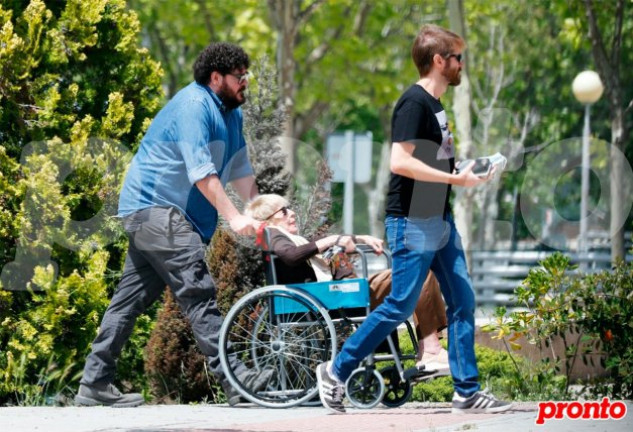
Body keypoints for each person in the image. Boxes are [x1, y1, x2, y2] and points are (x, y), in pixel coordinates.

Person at [315, 25, 513, 414]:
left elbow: (428, 163)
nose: (461, 64)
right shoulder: (414, 103)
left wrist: (466, 169)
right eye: (457, 58)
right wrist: (456, 178)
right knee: (400, 304)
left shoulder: (436, 106)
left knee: (462, 299)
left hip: (439, 220)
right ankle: (336, 371)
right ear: (439, 61)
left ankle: (467, 391)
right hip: (411, 222)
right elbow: (400, 162)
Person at [75, 42, 271, 408]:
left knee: (127, 303)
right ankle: (237, 380)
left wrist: (261, 213)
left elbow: (241, 169)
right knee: (197, 291)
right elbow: (202, 174)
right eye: (239, 76)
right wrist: (234, 216)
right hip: (157, 210)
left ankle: (94, 383)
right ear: (217, 78)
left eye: (247, 75)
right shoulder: (195, 106)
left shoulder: (232, 113)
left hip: (158, 215)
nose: (245, 82)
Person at [245, 194, 449, 373]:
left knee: (419, 274)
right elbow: (291, 256)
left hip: (335, 295)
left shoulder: (293, 238)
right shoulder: (270, 235)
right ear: (269, 220)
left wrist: (361, 238)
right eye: (284, 211)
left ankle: (430, 348)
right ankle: (430, 349)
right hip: (327, 299)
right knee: (417, 275)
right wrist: (332, 240)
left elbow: (321, 243)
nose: (291, 213)